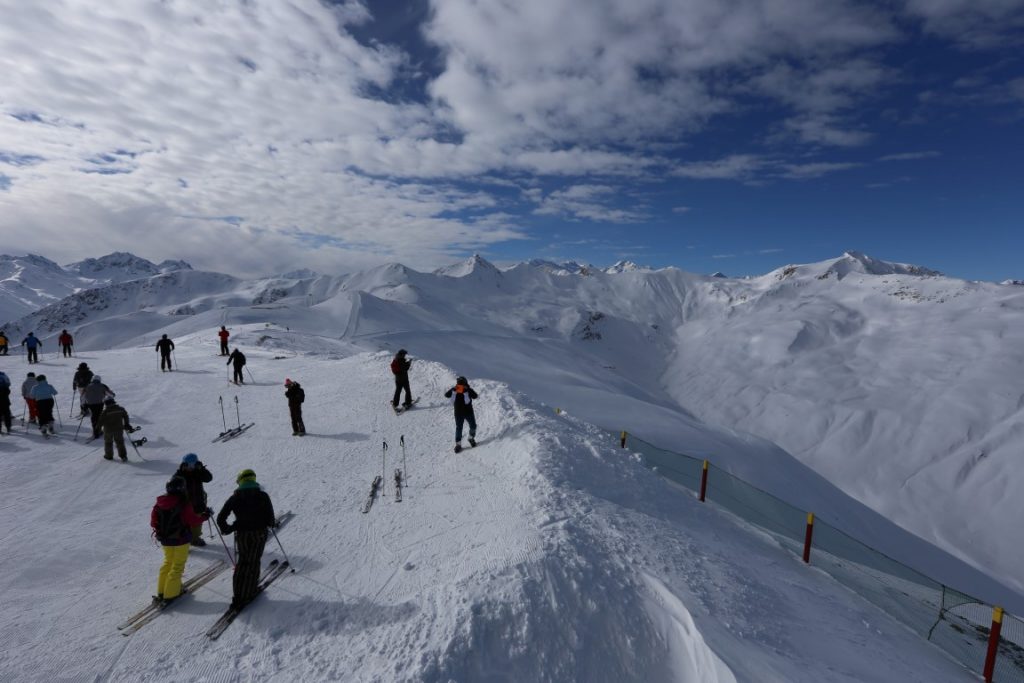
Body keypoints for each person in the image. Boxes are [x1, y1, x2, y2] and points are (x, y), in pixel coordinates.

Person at [217, 469, 276, 610]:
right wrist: (270, 524)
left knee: (243, 562)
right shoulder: (262, 495)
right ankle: (248, 592)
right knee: (253, 562)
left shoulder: (235, 497)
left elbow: (221, 517)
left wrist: (228, 528)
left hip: (242, 534)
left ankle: (238, 595)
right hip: (259, 533)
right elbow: (270, 516)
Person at [150, 476, 211, 604]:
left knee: (168, 563)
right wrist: (205, 516)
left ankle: (162, 591)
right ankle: (171, 594)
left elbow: (153, 522)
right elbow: (193, 520)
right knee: (177, 566)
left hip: (165, 540)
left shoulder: (159, 503)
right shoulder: (183, 503)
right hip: (181, 539)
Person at [175, 454, 213, 546]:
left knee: (197, 521)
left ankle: (195, 539)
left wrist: (201, 469)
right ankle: (183, 541)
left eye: (193, 464)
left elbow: (208, 478)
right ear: (184, 464)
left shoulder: (198, 472)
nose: (191, 467)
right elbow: (173, 483)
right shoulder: (181, 474)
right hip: (185, 503)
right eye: (189, 465)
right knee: (184, 522)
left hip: (198, 501)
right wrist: (181, 472)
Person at [444, 376, 478, 453]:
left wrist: (468, 390)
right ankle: (458, 444)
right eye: (459, 384)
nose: (461, 386)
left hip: (468, 412)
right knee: (459, 428)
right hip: (458, 413)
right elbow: (446, 395)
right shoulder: (455, 389)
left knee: (473, 426)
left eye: (462, 384)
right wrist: (453, 390)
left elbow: (475, 396)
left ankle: (471, 438)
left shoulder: (468, 390)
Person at [99, 397, 132, 461]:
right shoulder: (121, 409)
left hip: (108, 430)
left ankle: (109, 456)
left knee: (108, 443)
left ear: (106, 404)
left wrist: (98, 428)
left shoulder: (105, 411)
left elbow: (100, 421)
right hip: (119, 429)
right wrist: (126, 424)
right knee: (120, 442)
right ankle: (123, 456)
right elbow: (126, 416)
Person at [83, 375, 114, 439]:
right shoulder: (102, 386)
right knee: (98, 416)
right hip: (99, 404)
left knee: (94, 416)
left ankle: (96, 431)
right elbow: (111, 394)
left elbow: (83, 396)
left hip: (90, 404)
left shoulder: (88, 386)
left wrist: (84, 404)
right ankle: (98, 431)